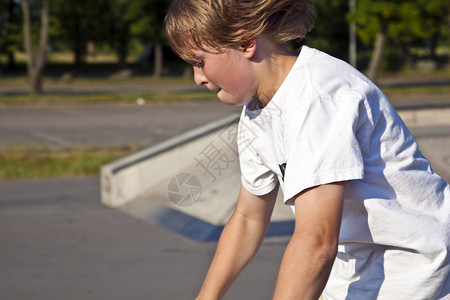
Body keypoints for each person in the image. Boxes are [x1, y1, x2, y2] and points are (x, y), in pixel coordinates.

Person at [164, 0, 450, 299]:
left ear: (246, 43)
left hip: (413, 267)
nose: (198, 78)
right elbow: (249, 219)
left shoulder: (316, 96)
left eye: (199, 62)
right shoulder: (258, 110)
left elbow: (316, 241)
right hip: (354, 266)